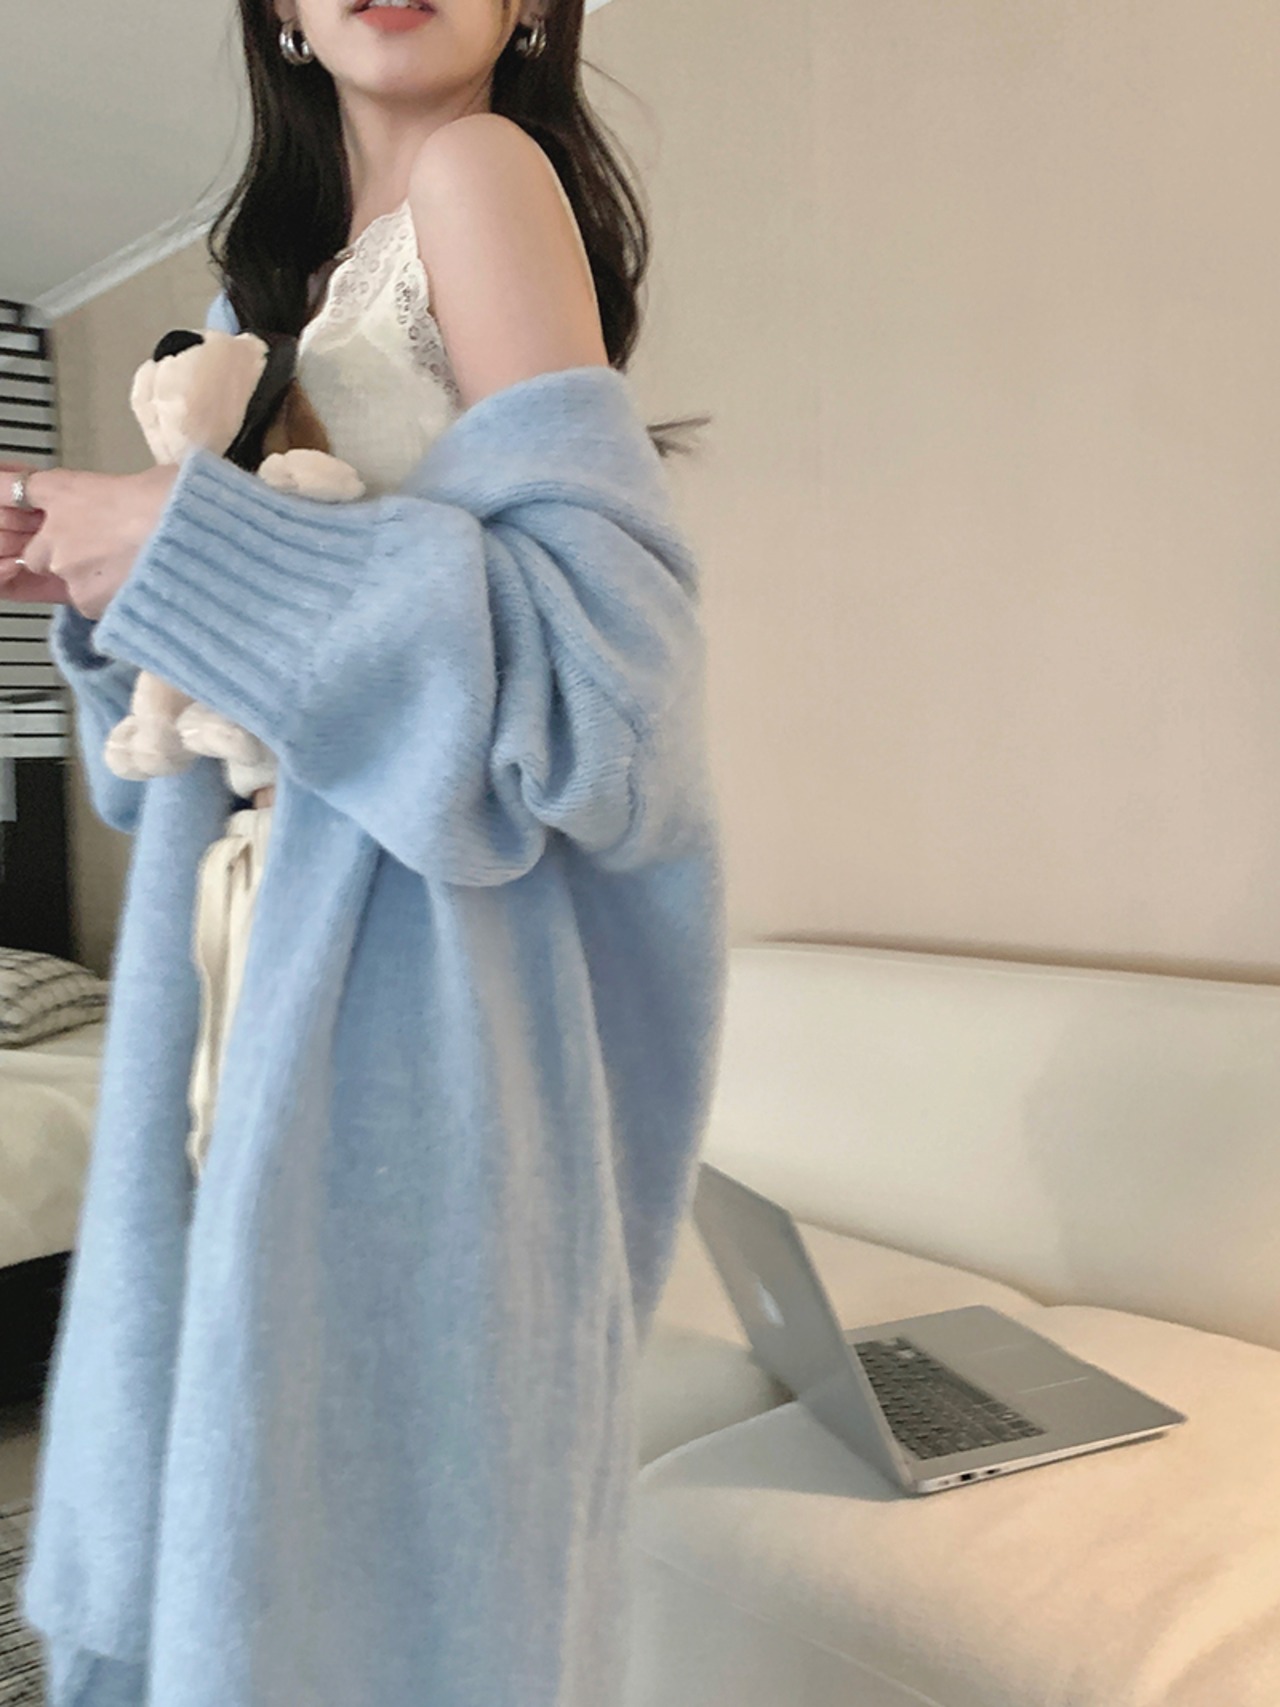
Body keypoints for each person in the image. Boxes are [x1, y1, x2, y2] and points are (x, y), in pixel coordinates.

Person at [0, 5, 728, 1705]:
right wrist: (119, 594)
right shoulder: (257, 303)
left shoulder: (482, 173)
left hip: (423, 1010)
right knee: (267, 1525)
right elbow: (172, 791)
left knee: (357, 1582)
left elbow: (611, 709)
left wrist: (187, 545)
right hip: (240, 987)